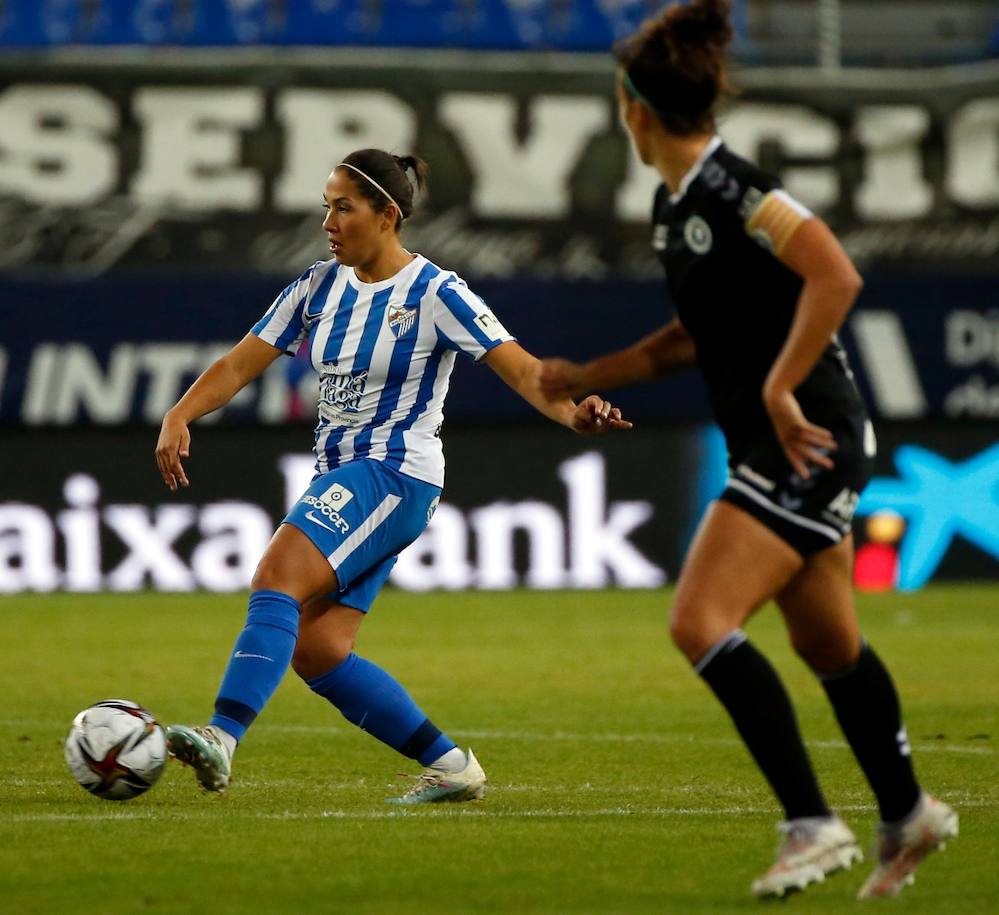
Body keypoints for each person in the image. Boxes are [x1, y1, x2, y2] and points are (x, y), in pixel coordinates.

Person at [538, 0, 956, 900]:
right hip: (783, 443)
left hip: (806, 439)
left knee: (698, 619)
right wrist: (586, 372)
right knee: (829, 642)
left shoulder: (736, 189)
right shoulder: (675, 204)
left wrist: (777, 385)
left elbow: (835, 272)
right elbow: (688, 340)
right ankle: (906, 810)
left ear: (633, 107)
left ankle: (811, 822)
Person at [154, 148, 631, 804]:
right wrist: (180, 413)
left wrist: (578, 415)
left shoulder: (438, 293)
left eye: (342, 206)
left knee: (275, 578)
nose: (328, 219)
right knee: (318, 649)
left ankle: (222, 736)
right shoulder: (318, 287)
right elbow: (239, 365)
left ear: (386, 215)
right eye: (325, 204)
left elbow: (523, 371)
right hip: (345, 473)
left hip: (395, 472)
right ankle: (453, 765)